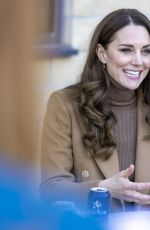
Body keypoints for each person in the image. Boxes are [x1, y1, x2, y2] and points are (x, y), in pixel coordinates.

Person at [40, 8, 150, 212]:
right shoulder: (65, 104)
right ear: (102, 54)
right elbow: (51, 188)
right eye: (126, 50)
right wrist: (102, 189)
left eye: (146, 51)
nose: (139, 61)